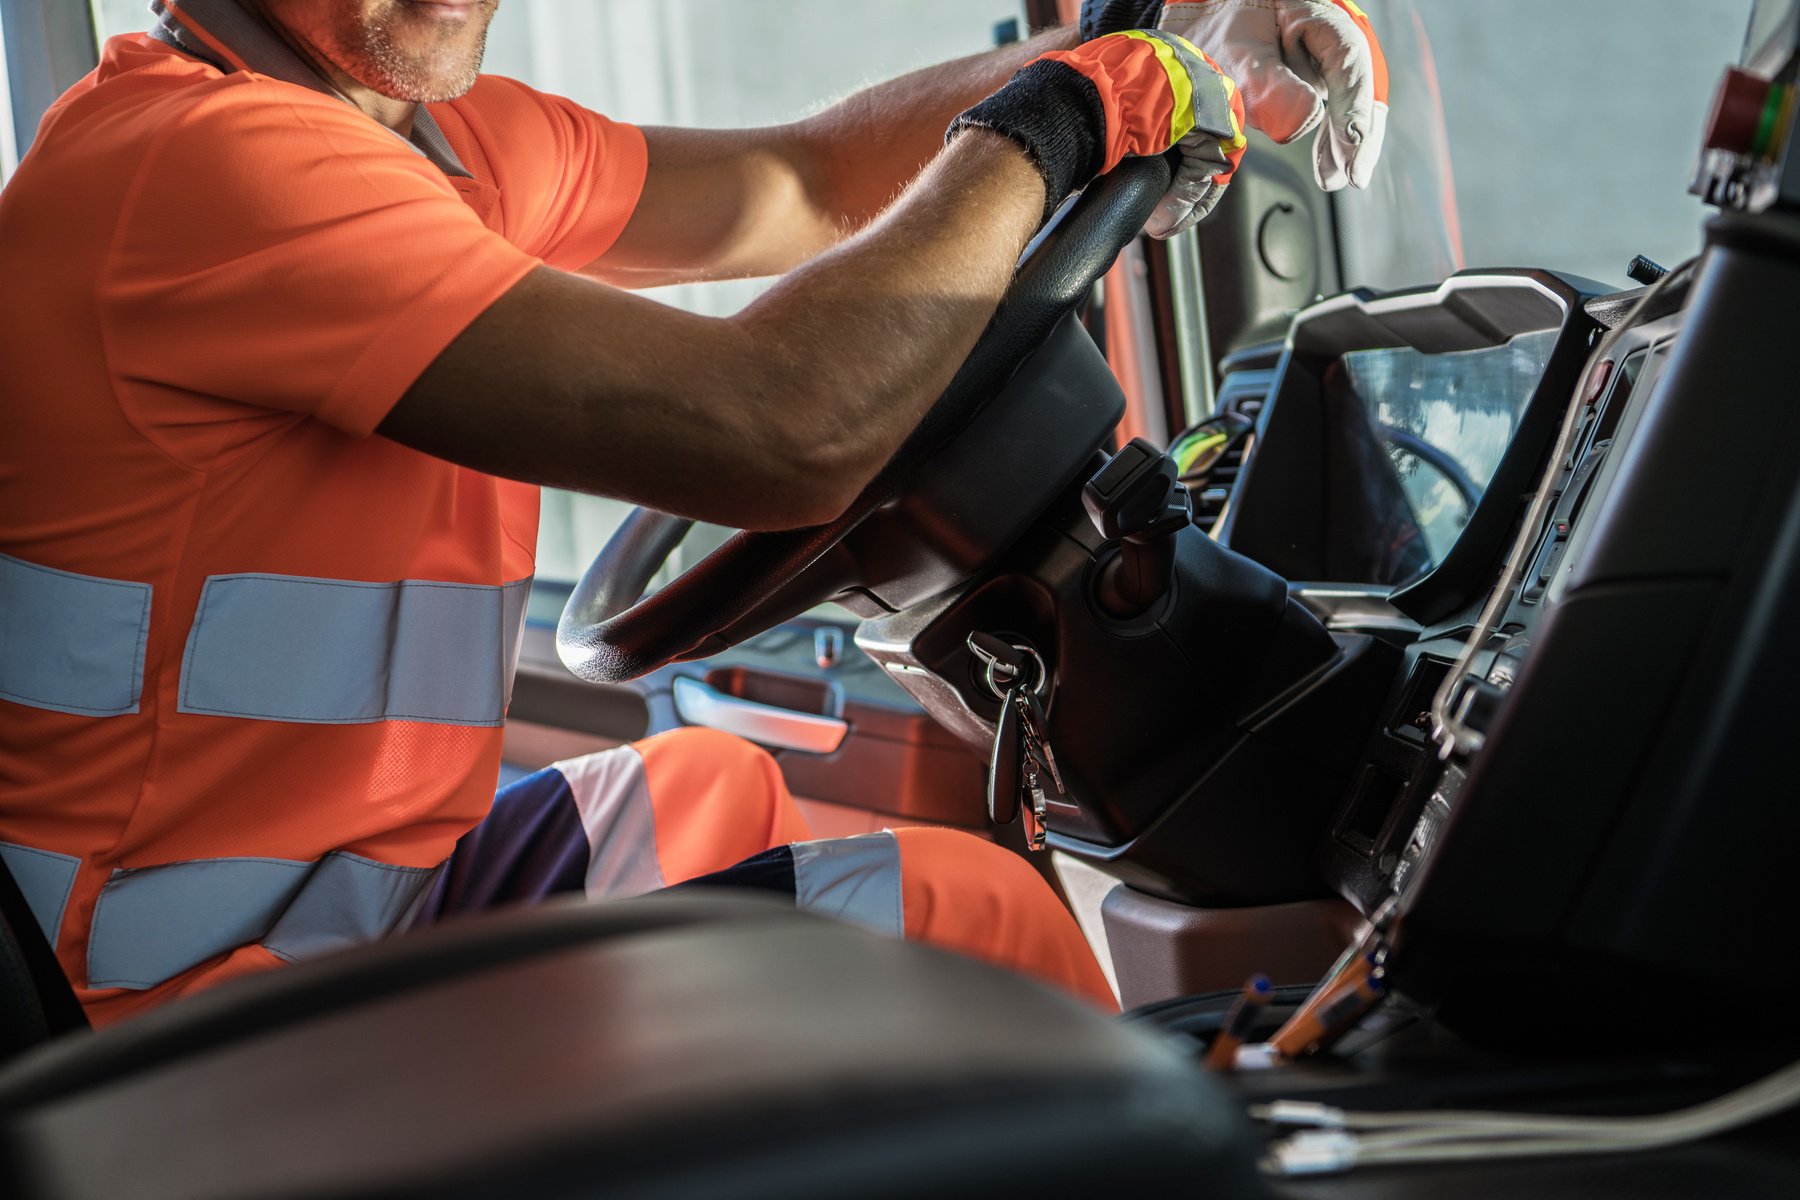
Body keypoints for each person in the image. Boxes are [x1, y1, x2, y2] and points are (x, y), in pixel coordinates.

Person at [0, 0, 1383, 1028]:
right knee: (967, 919)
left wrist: (1177, 65)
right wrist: (1077, 118)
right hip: (179, 1015)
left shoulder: (421, 141)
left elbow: (807, 183)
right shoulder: (203, 170)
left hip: (347, 900)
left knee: (707, 785)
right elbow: (780, 430)